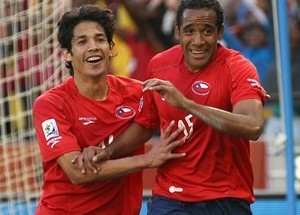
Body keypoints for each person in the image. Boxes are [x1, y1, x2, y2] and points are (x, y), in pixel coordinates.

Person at [79, 0, 269, 214]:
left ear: (220, 32)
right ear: (177, 32)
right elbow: (145, 124)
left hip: (227, 196)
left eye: (207, 31)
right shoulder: (160, 64)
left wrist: (187, 104)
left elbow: (252, 126)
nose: (198, 40)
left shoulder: (238, 68)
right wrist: (108, 151)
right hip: (172, 197)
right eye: (189, 31)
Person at [32, 4, 186, 215]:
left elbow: (158, 122)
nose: (93, 46)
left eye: (100, 39)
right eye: (82, 41)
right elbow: (78, 173)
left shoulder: (138, 92)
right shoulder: (50, 104)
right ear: (67, 54)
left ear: (111, 48)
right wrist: (146, 160)